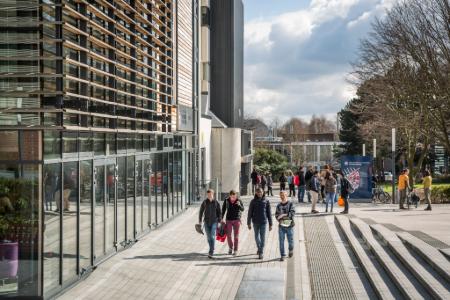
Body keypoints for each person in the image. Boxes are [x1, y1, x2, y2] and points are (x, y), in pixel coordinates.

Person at [248, 188, 273, 259]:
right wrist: (248, 223)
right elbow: (250, 213)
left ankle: (261, 252)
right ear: (256, 193)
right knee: (256, 237)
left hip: (263, 222)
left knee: (262, 237)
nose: (260, 193)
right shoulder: (253, 201)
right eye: (258, 192)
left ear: (263, 192)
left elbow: (269, 213)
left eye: (261, 192)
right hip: (255, 222)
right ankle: (259, 248)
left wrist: (270, 224)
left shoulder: (266, 201)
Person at [198, 189, 222, 258]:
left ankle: (211, 251)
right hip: (206, 222)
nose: (209, 196)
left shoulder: (216, 202)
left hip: (214, 222)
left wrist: (220, 221)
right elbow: (201, 212)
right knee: (208, 237)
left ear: (213, 194)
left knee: (212, 236)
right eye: (208, 195)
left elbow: (219, 213)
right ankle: (212, 247)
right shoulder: (205, 202)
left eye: (210, 194)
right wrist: (199, 221)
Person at [222, 190, 245, 255]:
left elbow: (242, 209)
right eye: (232, 196)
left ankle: (235, 250)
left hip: (236, 220)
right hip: (228, 219)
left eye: (234, 196)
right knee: (228, 235)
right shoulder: (226, 200)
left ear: (236, 195)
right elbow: (223, 209)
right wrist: (221, 218)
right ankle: (230, 247)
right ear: (230, 195)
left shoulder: (239, 200)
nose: (233, 197)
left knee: (236, 236)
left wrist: (239, 205)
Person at [275, 191, 295, 261]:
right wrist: (279, 218)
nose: (282, 196)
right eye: (281, 195)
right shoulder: (278, 205)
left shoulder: (290, 204)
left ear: (286, 195)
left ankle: (290, 250)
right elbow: (277, 216)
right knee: (281, 242)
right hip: (281, 227)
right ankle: (282, 255)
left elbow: (292, 214)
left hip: (289, 226)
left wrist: (283, 215)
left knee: (290, 241)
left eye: (283, 195)